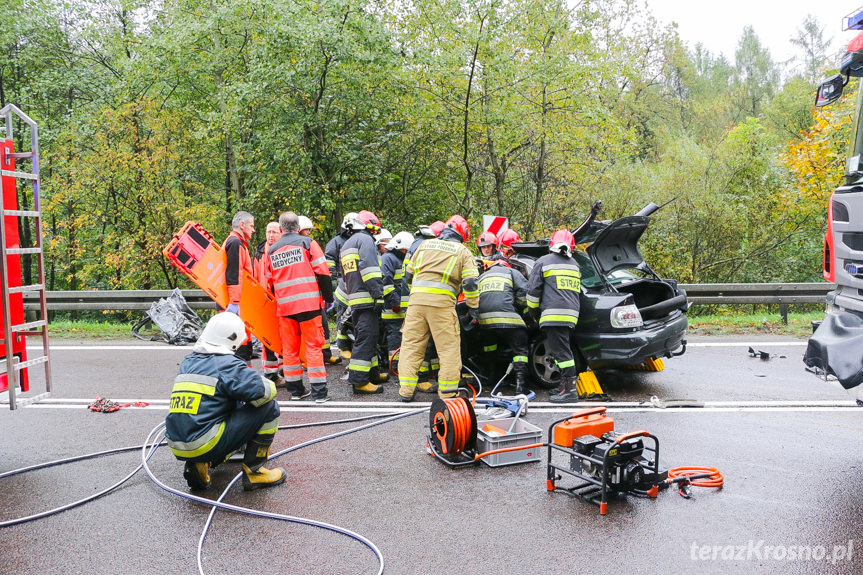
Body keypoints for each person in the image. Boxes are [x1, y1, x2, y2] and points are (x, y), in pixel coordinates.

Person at [165, 312, 286, 491]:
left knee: (223, 401)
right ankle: (255, 472)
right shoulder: (227, 364)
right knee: (268, 407)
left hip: (177, 443)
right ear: (233, 339)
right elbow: (266, 391)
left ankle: (201, 462)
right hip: (205, 441)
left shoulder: (188, 361)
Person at [398, 215, 479, 402]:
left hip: (416, 303)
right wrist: (473, 308)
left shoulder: (424, 245)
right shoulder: (462, 252)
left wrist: (417, 294)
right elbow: (471, 283)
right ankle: (448, 392)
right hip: (441, 305)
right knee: (448, 348)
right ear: (463, 235)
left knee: (411, 346)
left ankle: (406, 391)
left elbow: (407, 276)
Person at [266, 212, 334, 403]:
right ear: (297, 227)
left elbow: (269, 283)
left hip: (286, 308)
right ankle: (319, 393)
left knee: (289, 351)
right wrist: (328, 298)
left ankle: (296, 391)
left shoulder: (272, 250)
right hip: (309, 305)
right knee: (313, 348)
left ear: (280, 229)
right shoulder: (307, 243)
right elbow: (323, 273)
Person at [341, 210, 398, 393]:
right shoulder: (365, 240)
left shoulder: (347, 244)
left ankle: (372, 373)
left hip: (356, 299)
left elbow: (345, 276)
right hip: (367, 299)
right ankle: (359, 381)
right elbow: (370, 270)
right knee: (366, 339)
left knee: (369, 337)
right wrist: (378, 295)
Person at [526, 229, 582, 403]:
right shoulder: (575, 264)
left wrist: (533, 312)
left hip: (553, 315)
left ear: (552, 245)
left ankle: (570, 392)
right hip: (571, 316)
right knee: (562, 351)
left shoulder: (543, 261)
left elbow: (533, 291)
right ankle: (564, 387)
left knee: (563, 355)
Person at [477, 258, 531, 394]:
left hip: (485, 321)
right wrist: (520, 308)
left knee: (489, 347)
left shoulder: (482, 276)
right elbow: (525, 295)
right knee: (520, 350)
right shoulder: (512, 273)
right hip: (509, 319)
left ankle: (491, 377)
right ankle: (520, 385)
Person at [299, 215, 338, 365]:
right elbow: (321, 272)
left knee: (324, 326)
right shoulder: (306, 245)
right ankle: (310, 358)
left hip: (313, 295)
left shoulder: (306, 244)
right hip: (305, 297)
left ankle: (325, 354)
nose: (309, 233)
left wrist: (326, 297)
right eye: (306, 230)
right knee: (309, 331)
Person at [253, 221, 284, 386]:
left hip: (281, 300)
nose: (270, 236)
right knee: (268, 339)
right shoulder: (259, 253)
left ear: (281, 233)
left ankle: (283, 370)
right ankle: (271, 374)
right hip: (265, 301)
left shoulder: (283, 249)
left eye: (274, 232)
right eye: (268, 232)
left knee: (284, 336)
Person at [223, 211, 256, 365]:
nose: (253, 229)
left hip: (239, 301)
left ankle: (245, 380)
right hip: (235, 301)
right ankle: (240, 383)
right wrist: (234, 302)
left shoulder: (237, 242)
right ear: (242, 225)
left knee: (244, 346)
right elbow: (233, 274)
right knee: (239, 348)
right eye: (251, 225)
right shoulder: (235, 243)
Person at [325, 213, 358, 361]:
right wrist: (334, 278)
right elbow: (329, 259)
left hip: (354, 281)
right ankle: (342, 345)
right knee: (342, 313)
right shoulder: (336, 242)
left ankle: (351, 343)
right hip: (341, 280)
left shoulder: (357, 240)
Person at [380, 231, 412, 375]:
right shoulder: (388, 258)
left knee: (402, 338)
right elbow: (386, 283)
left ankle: (401, 364)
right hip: (392, 310)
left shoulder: (402, 259)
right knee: (394, 338)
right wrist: (395, 302)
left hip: (403, 309)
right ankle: (395, 366)